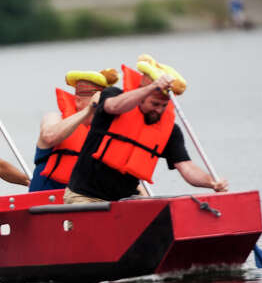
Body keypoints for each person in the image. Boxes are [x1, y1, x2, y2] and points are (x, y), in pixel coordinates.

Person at [64, 56, 228, 203]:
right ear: (142, 95)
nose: (158, 110)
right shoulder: (112, 96)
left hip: (125, 200)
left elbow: (186, 167)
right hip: (85, 196)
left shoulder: (170, 131)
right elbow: (112, 106)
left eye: (164, 106)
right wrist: (152, 87)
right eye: (154, 104)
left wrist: (211, 182)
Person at [29, 68, 119, 193]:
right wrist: (88, 110)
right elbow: (50, 136)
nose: (102, 104)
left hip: (85, 201)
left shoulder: (106, 133)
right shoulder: (53, 118)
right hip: (46, 201)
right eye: (99, 99)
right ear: (77, 100)